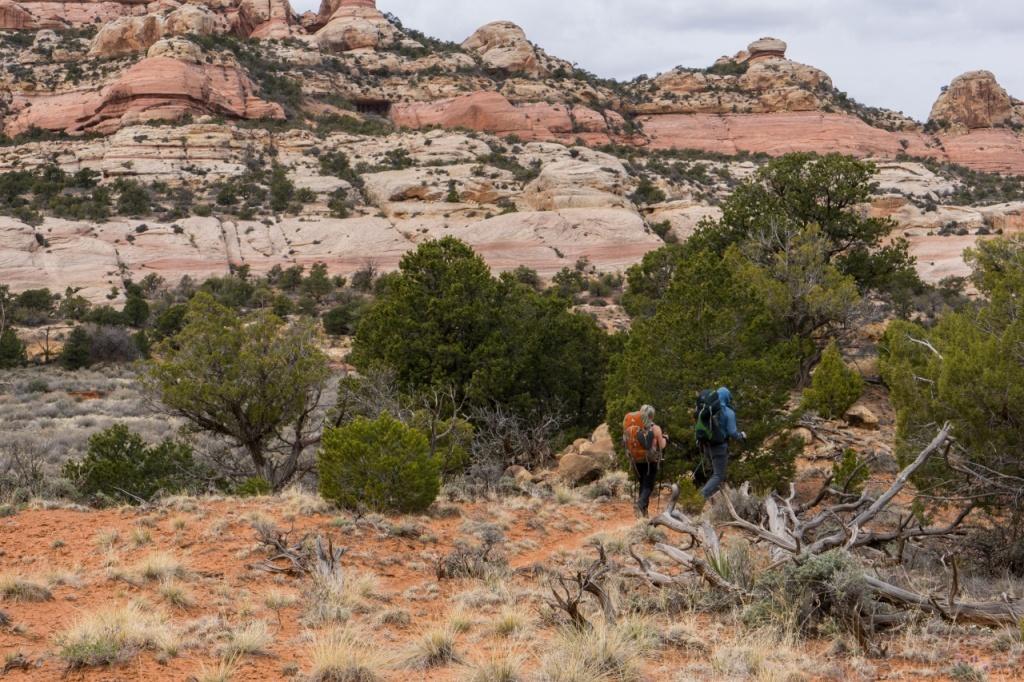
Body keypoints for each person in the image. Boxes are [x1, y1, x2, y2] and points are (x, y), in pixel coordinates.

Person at [695, 387, 745, 500]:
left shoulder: (708, 410)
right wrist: (741, 435)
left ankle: (716, 500)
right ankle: (699, 498)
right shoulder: (728, 412)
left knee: (716, 473)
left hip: (707, 446)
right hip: (719, 447)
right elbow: (732, 432)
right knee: (718, 475)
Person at [623, 404, 668, 517]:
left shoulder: (632, 429)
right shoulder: (656, 428)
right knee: (648, 486)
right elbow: (661, 446)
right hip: (650, 461)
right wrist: (666, 438)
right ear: (651, 417)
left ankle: (643, 513)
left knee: (643, 484)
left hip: (636, 460)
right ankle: (640, 505)